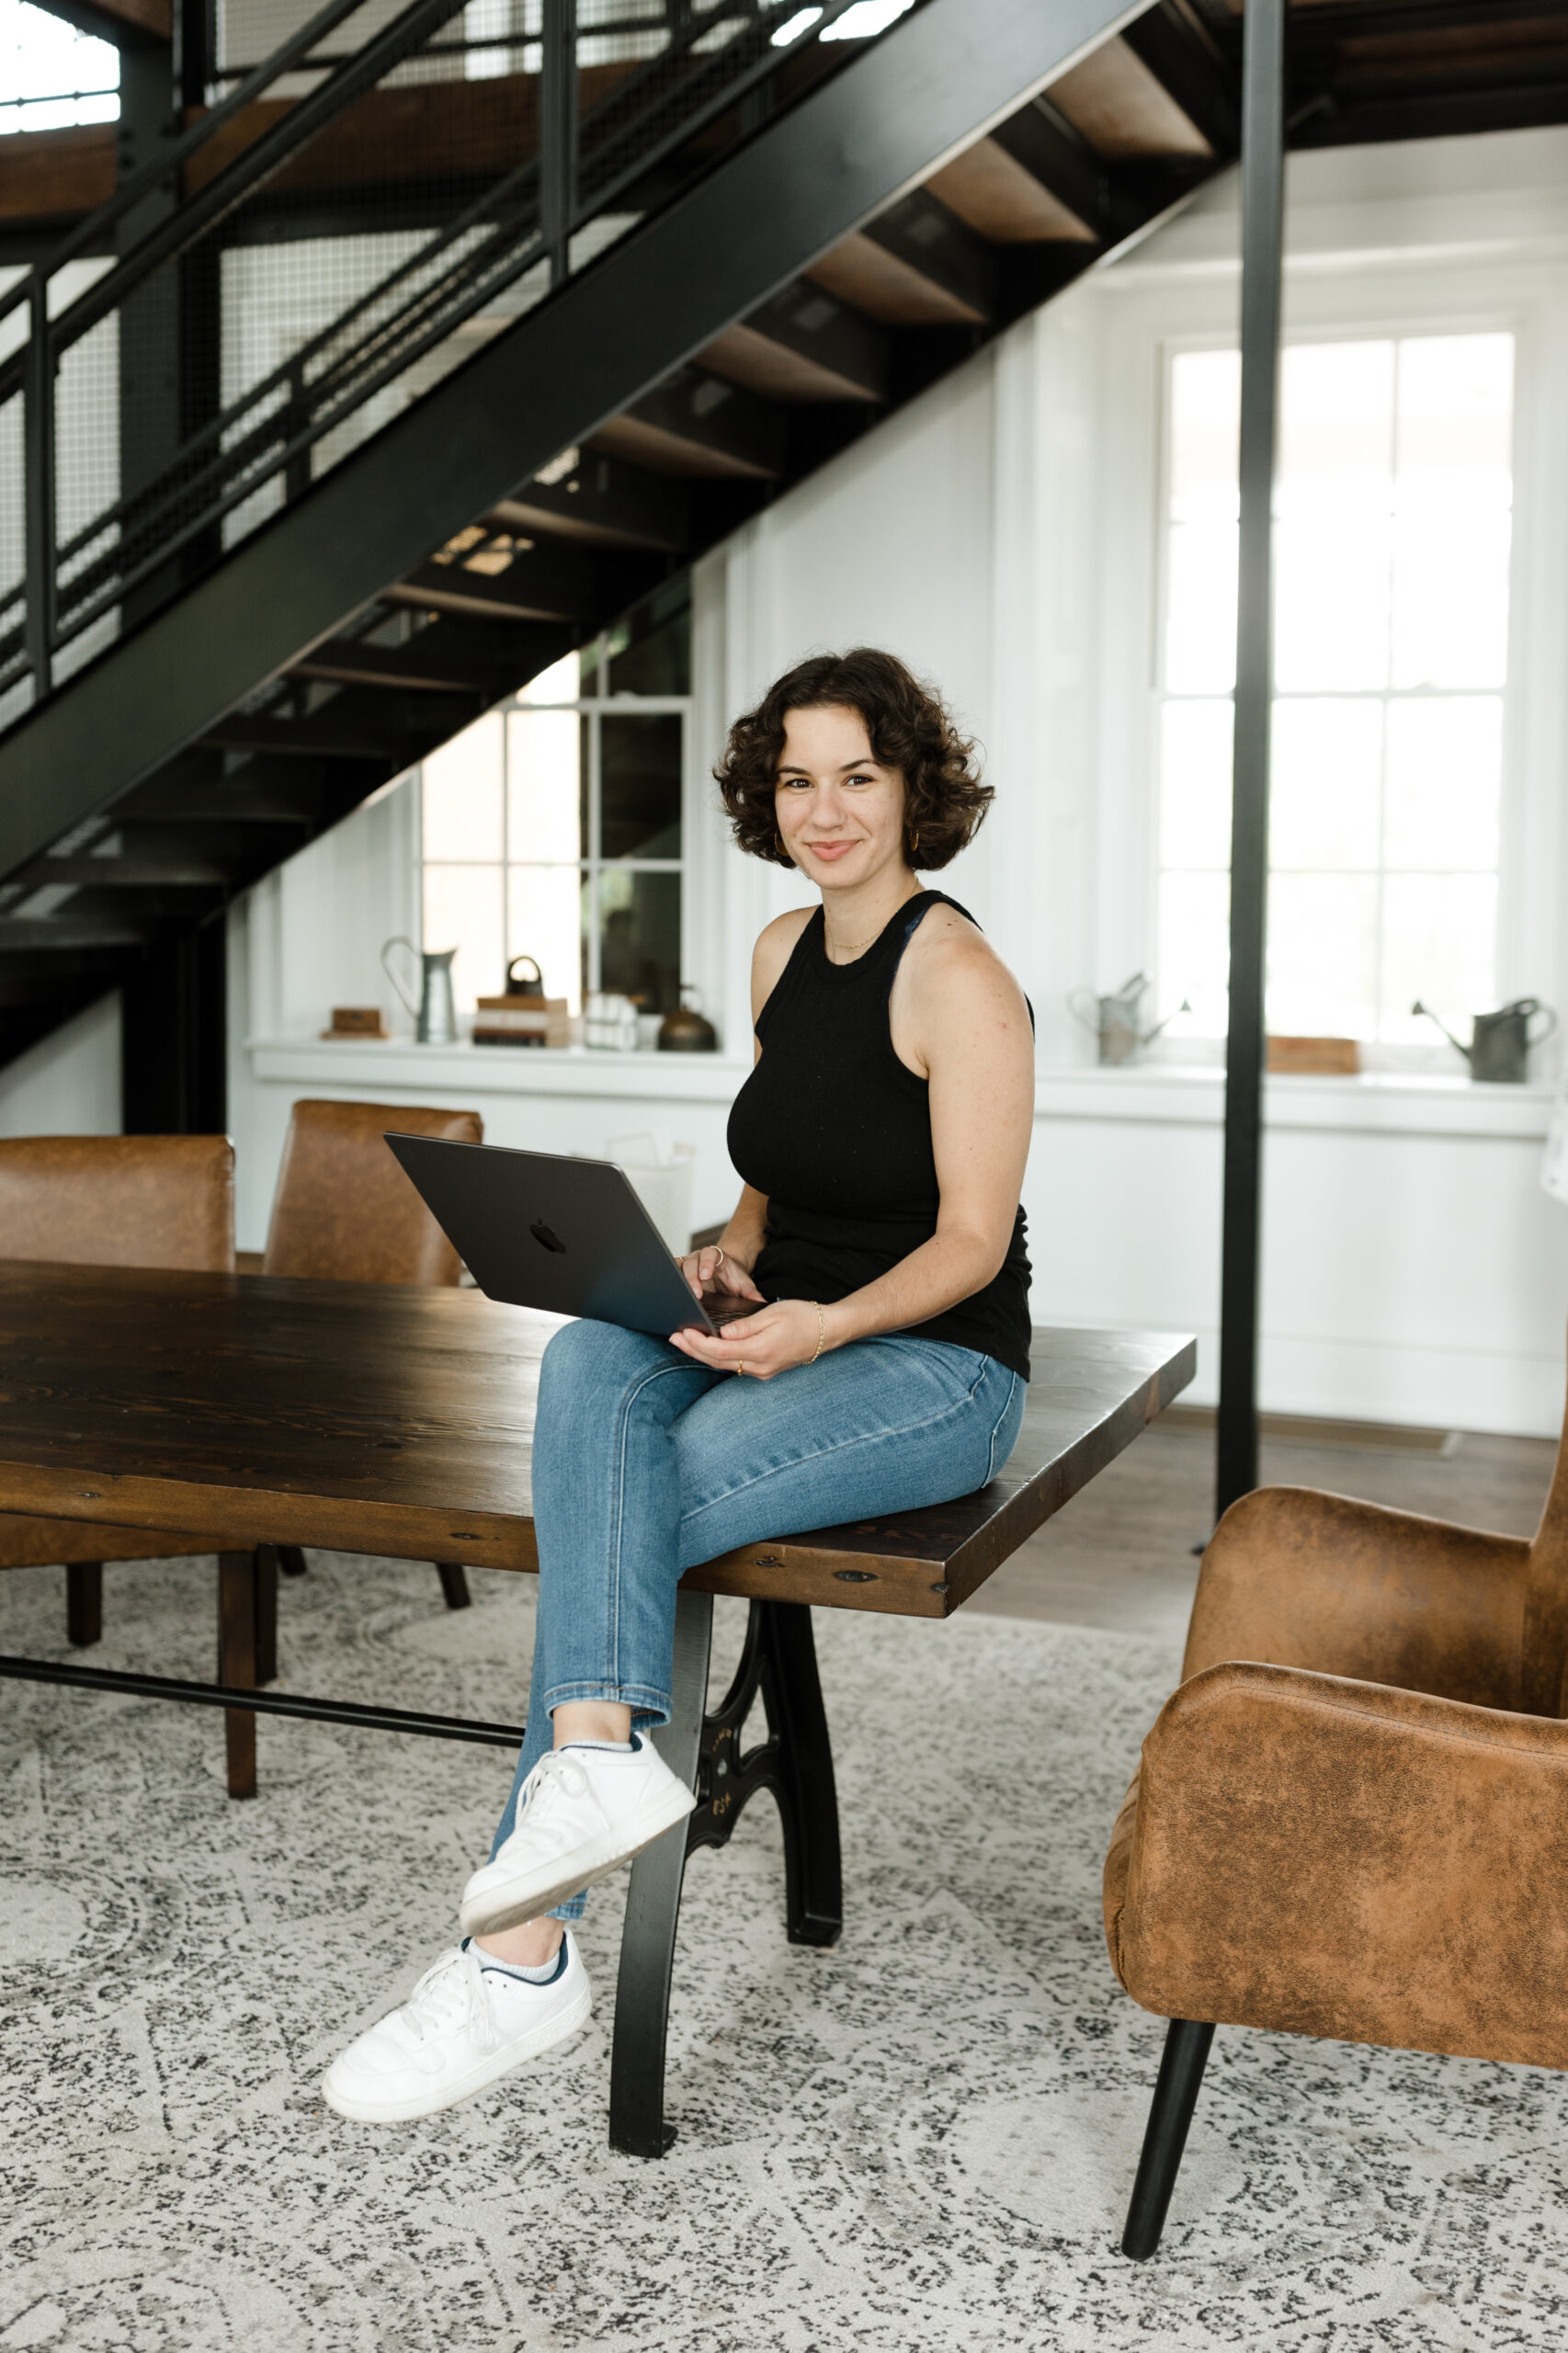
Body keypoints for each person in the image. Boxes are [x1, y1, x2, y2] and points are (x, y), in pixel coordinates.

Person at [322, 647, 1035, 2124]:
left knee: (617, 1513)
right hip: (786, 1317)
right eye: (795, 780)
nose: (824, 810)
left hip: (929, 1365)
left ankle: (519, 1953)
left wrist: (820, 1326)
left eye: (857, 777)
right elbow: (776, 1174)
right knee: (591, 1344)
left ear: (913, 790)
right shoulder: (784, 951)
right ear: (764, 797)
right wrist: (727, 1257)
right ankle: (595, 1763)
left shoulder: (960, 977)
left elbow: (969, 1243)